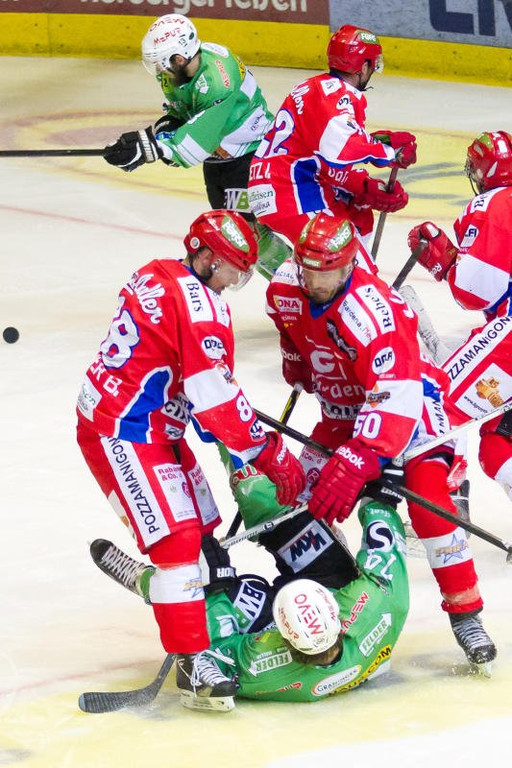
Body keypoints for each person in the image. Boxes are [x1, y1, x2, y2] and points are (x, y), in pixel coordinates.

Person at [76, 209, 306, 711]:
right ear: (204, 256)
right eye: (231, 270)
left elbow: (185, 379)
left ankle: (149, 583)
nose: (233, 283)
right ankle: (192, 665)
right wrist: (267, 451)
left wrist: (221, 424)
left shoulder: (155, 271)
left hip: (152, 422)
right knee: (179, 545)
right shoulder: (201, 307)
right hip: (125, 429)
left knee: (204, 536)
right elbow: (214, 396)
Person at [263, 211, 496, 670]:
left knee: (429, 503)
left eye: (327, 273)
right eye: (308, 270)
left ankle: (466, 613)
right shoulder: (285, 287)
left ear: (349, 266)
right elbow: (288, 325)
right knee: (292, 500)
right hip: (342, 414)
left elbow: (397, 394)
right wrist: (296, 360)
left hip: (410, 412)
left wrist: (362, 457)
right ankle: (318, 588)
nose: (316, 282)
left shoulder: (372, 312)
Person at [89, 493, 408, 707]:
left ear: (282, 636)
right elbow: (385, 549)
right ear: (335, 612)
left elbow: (210, 650)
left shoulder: (261, 663)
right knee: (273, 500)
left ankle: (150, 584)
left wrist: (215, 586)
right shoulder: (377, 604)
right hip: (336, 589)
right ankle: (251, 468)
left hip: (268, 624)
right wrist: (378, 498)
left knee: (195, 588)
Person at [247, 24, 416, 261]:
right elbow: (340, 148)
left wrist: (364, 187)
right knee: (348, 267)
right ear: (363, 66)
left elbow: (322, 159)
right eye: (372, 65)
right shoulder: (338, 93)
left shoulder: (315, 87)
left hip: (277, 188)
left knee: (358, 215)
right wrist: (389, 152)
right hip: (292, 192)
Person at [408, 130, 512, 502]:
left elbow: (474, 291)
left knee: (437, 402)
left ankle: (445, 507)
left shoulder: (492, 203)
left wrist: (445, 261)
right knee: (499, 444)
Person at [102, 14, 272, 223]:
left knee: (245, 227)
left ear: (179, 59)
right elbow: (183, 114)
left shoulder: (219, 80)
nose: (159, 70)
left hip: (251, 157)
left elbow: (200, 140)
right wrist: (158, 132)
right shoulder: (175, 72)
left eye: (160, 63)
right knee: (229, 226)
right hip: (217, 159)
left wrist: (151, 148)